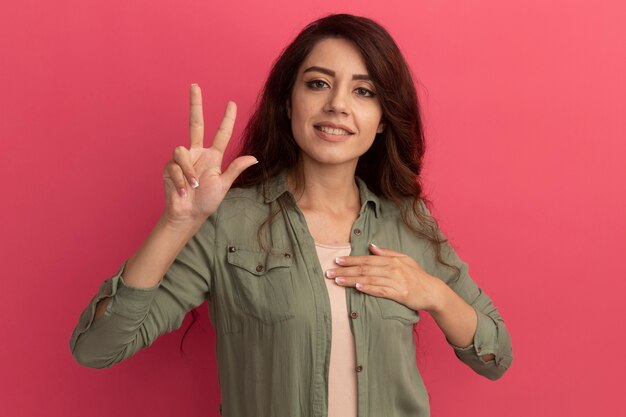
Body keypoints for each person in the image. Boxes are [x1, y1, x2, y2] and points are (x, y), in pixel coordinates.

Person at [70, 13, 512, 417]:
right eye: (318, 83)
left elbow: (496, 355)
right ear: (288, 101)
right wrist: (178, 222)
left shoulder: (408, 222)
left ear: (381, 119)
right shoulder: (229, 221)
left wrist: (432, 291)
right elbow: (96, 348)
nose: (338, 104)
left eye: (363, 91)